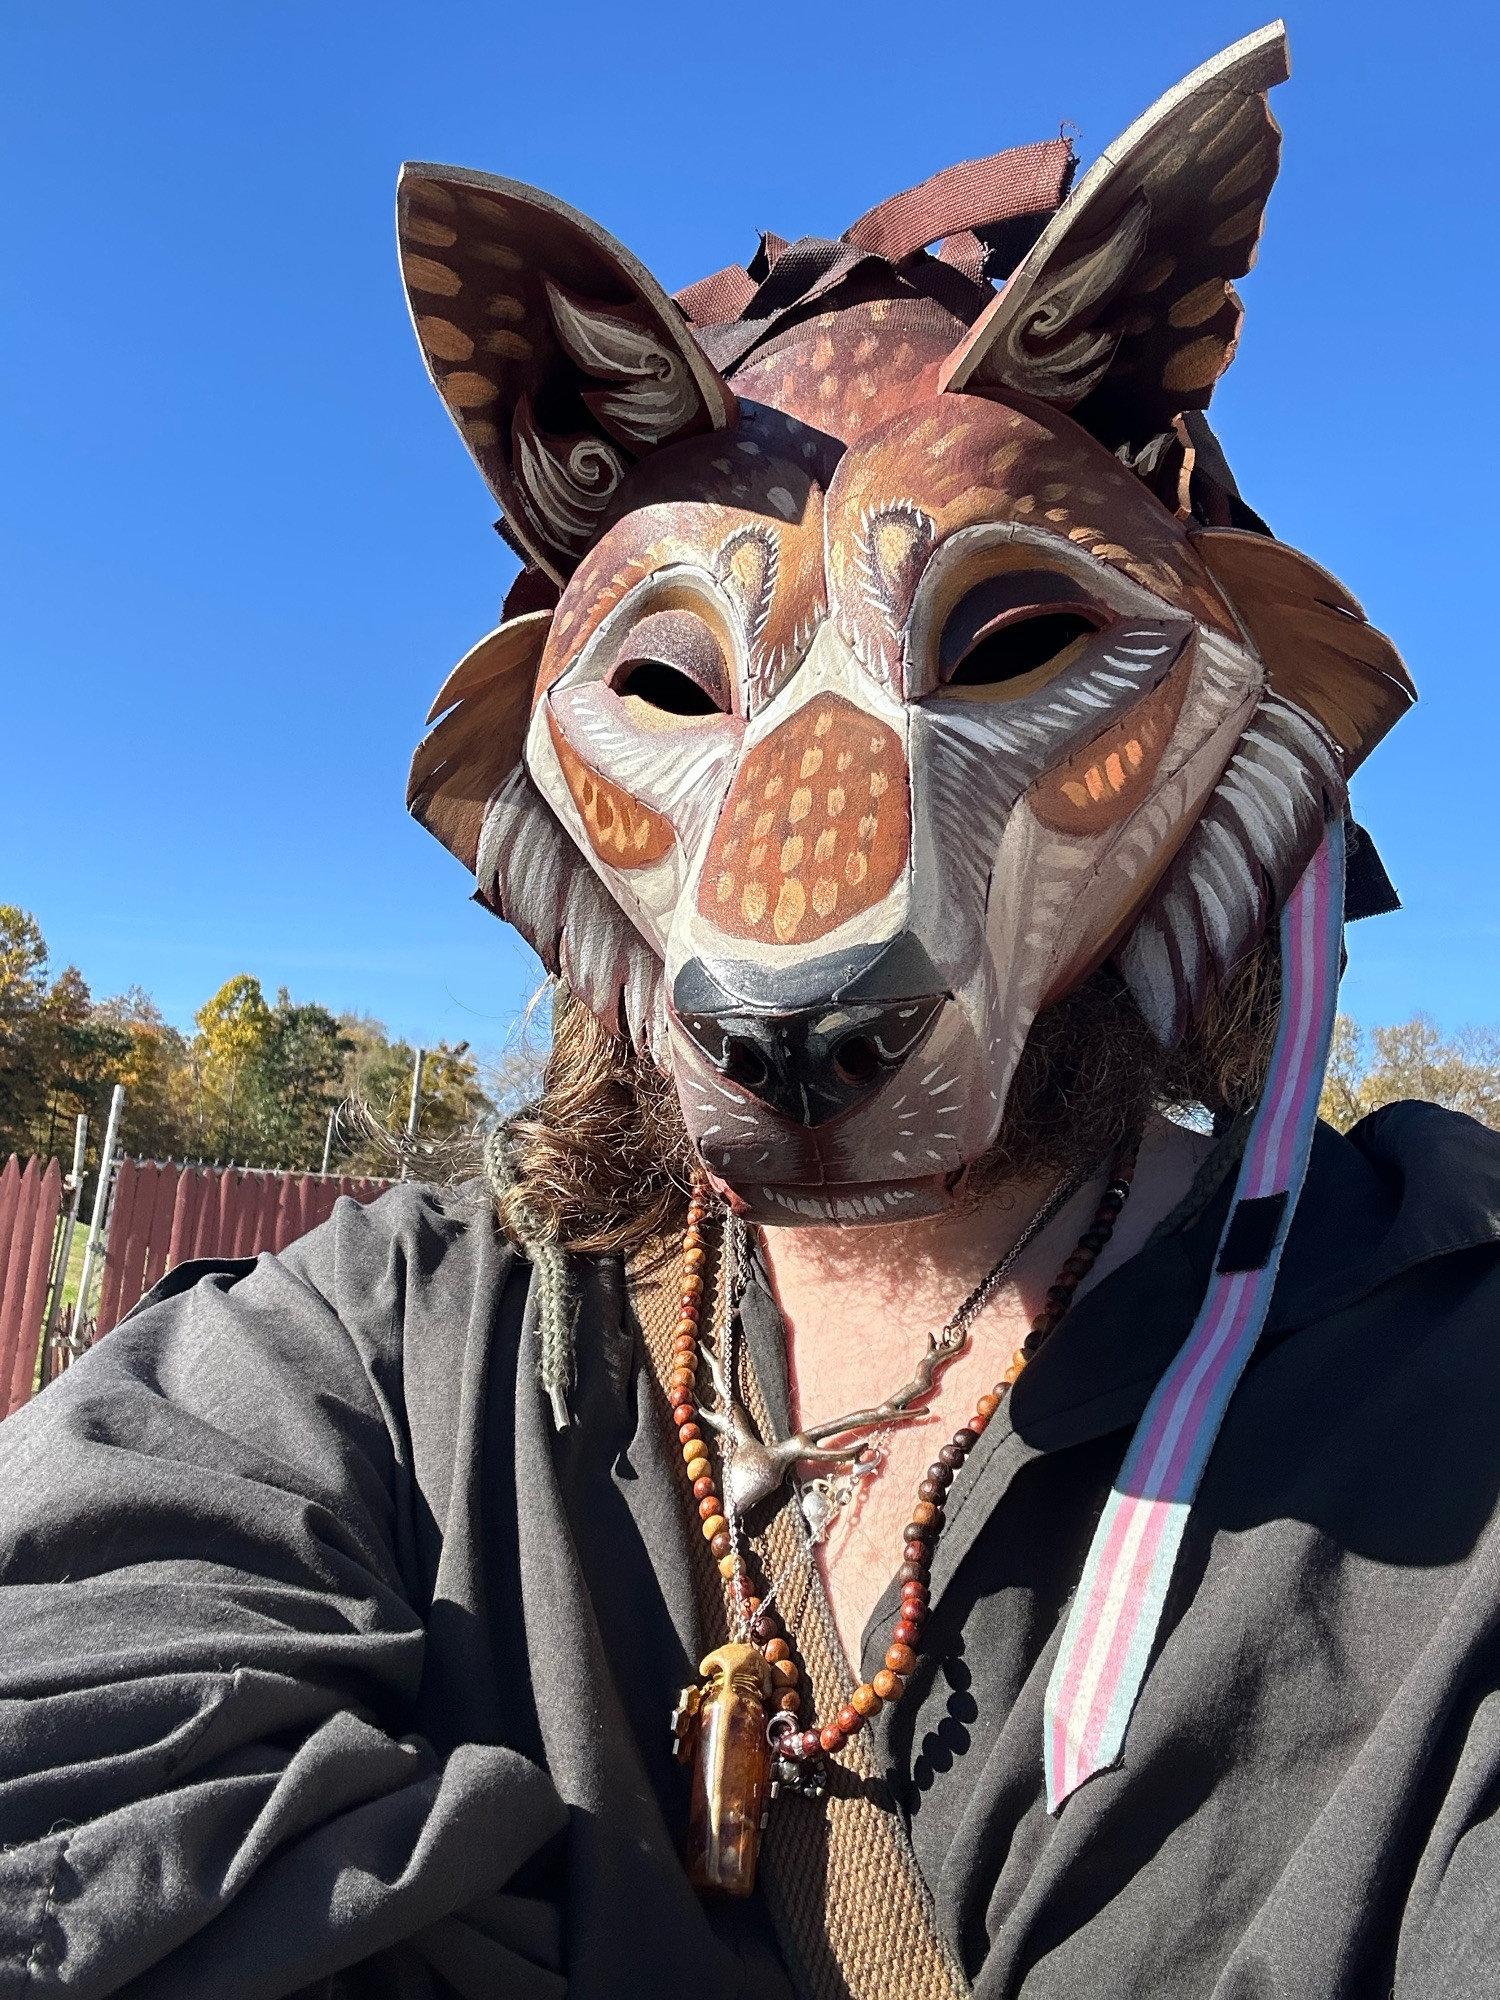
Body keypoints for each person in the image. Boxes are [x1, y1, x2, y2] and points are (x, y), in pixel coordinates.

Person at [3, 25, 1498, 1998]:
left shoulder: (1445, 1414)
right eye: (677, 691)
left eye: (1016, 639)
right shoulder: (396, 1354)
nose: (815, 899)